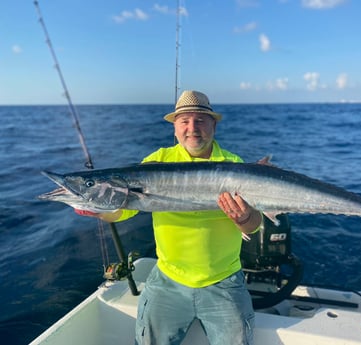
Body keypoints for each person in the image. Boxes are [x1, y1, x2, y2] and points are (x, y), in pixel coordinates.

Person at [75, 90, 262, 345]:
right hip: (168, 281)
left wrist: (244, 218)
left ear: (213, 125)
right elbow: (123, 210)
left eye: (201, 120)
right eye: (184, 121)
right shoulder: (156, 161)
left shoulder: (234, 165)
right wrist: (98, 209)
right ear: (175, 128)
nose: (192, 128)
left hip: (225, 281)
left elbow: (254, 225)